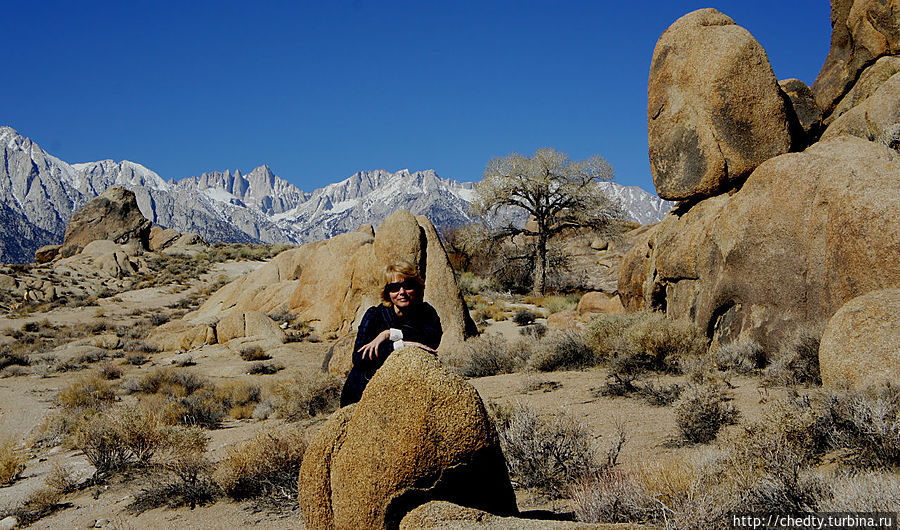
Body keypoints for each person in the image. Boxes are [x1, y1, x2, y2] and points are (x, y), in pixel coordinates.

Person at [339, 261, 442, 407]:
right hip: (362, 393)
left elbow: (430, 339)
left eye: (407, 286)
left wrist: (388, 334)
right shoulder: (374, 316)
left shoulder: (427, 313)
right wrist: (399, 345)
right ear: (387, 292)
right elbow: (359, 357)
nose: (401, 292)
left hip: (408, 393)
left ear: (417, 288)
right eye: (394, 287)